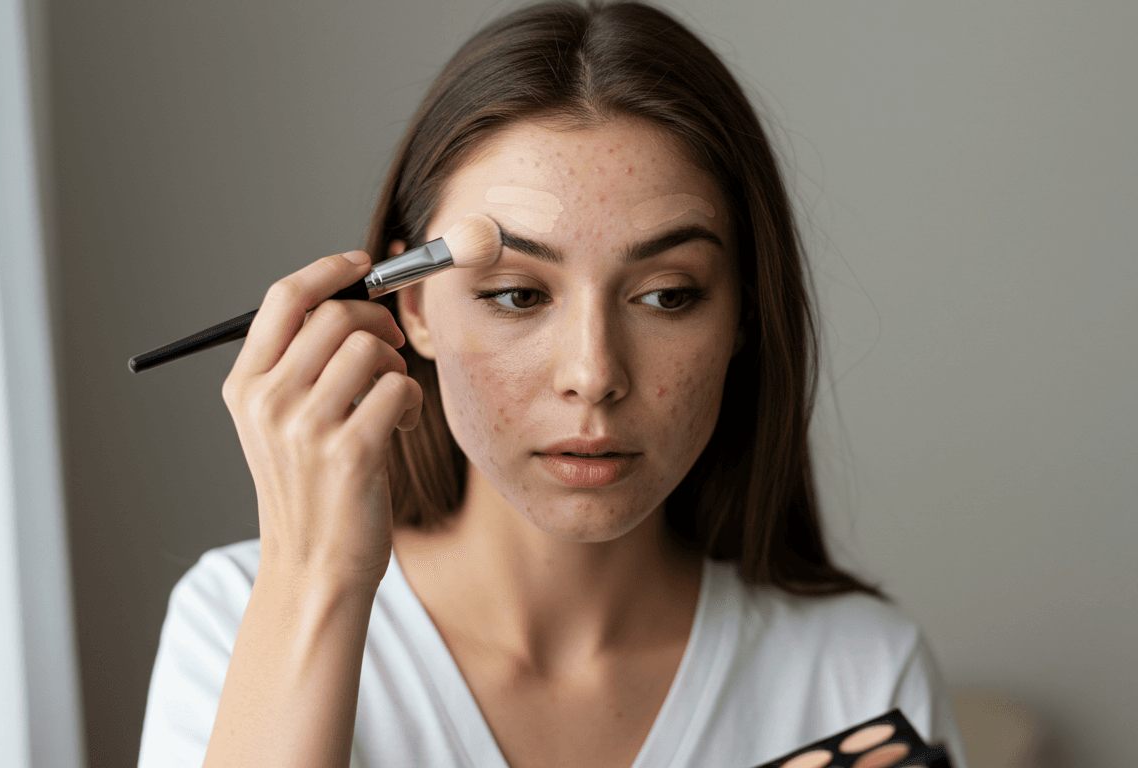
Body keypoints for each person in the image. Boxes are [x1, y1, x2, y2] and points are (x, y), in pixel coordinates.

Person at [139, 2, 967, 767]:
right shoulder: (241, 619)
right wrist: (316, 578)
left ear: (743, 312)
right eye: (517, 295)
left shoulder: (859, 674)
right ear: (414, 304)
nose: (593, 376)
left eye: (667, 295)